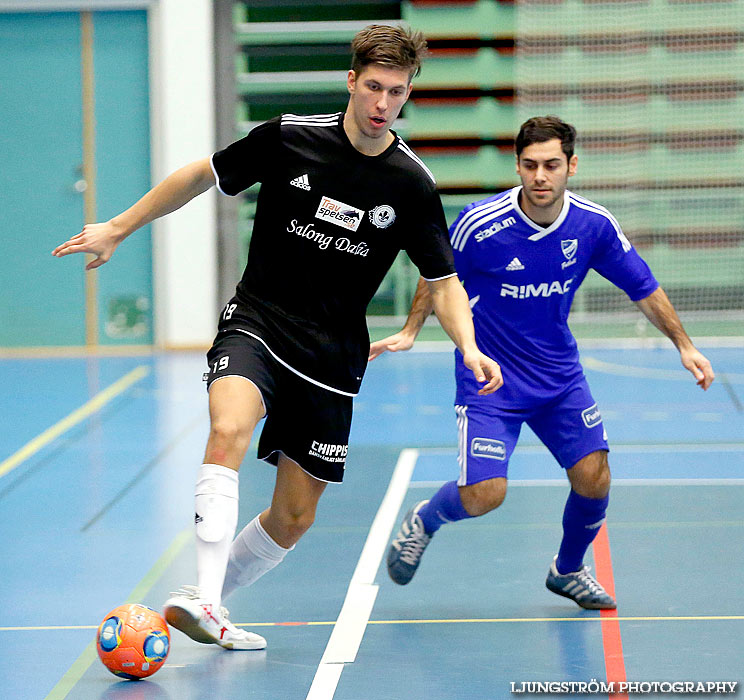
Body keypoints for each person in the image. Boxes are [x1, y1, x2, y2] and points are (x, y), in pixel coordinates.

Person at [53, 24, 502, 650]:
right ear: (351, 80)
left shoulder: (411, 184)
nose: (381, 104)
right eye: (372, 86)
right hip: (259, 321)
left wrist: (470, 346)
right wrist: (120, 227)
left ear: (407, 95)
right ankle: (203, 594)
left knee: (293, 518)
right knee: (228, 426)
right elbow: (200, 174)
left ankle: (212, 605)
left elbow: (443, 281)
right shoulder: (289, 137)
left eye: (395, 92)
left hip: (332, 355)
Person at [371, 115, 715, 609]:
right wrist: (410, 330)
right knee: (485, 494)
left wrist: (684, 344)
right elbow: (438, 275)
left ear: (571, 166)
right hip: (490, 378)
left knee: (594, 476)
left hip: (558, 377)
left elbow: (642, 285)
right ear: (517, 166)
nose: (540, 176)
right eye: (530, 165)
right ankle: (427, 518)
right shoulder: (480, 223)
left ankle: (568, 570)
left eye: (552, 165)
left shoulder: (592, 225)